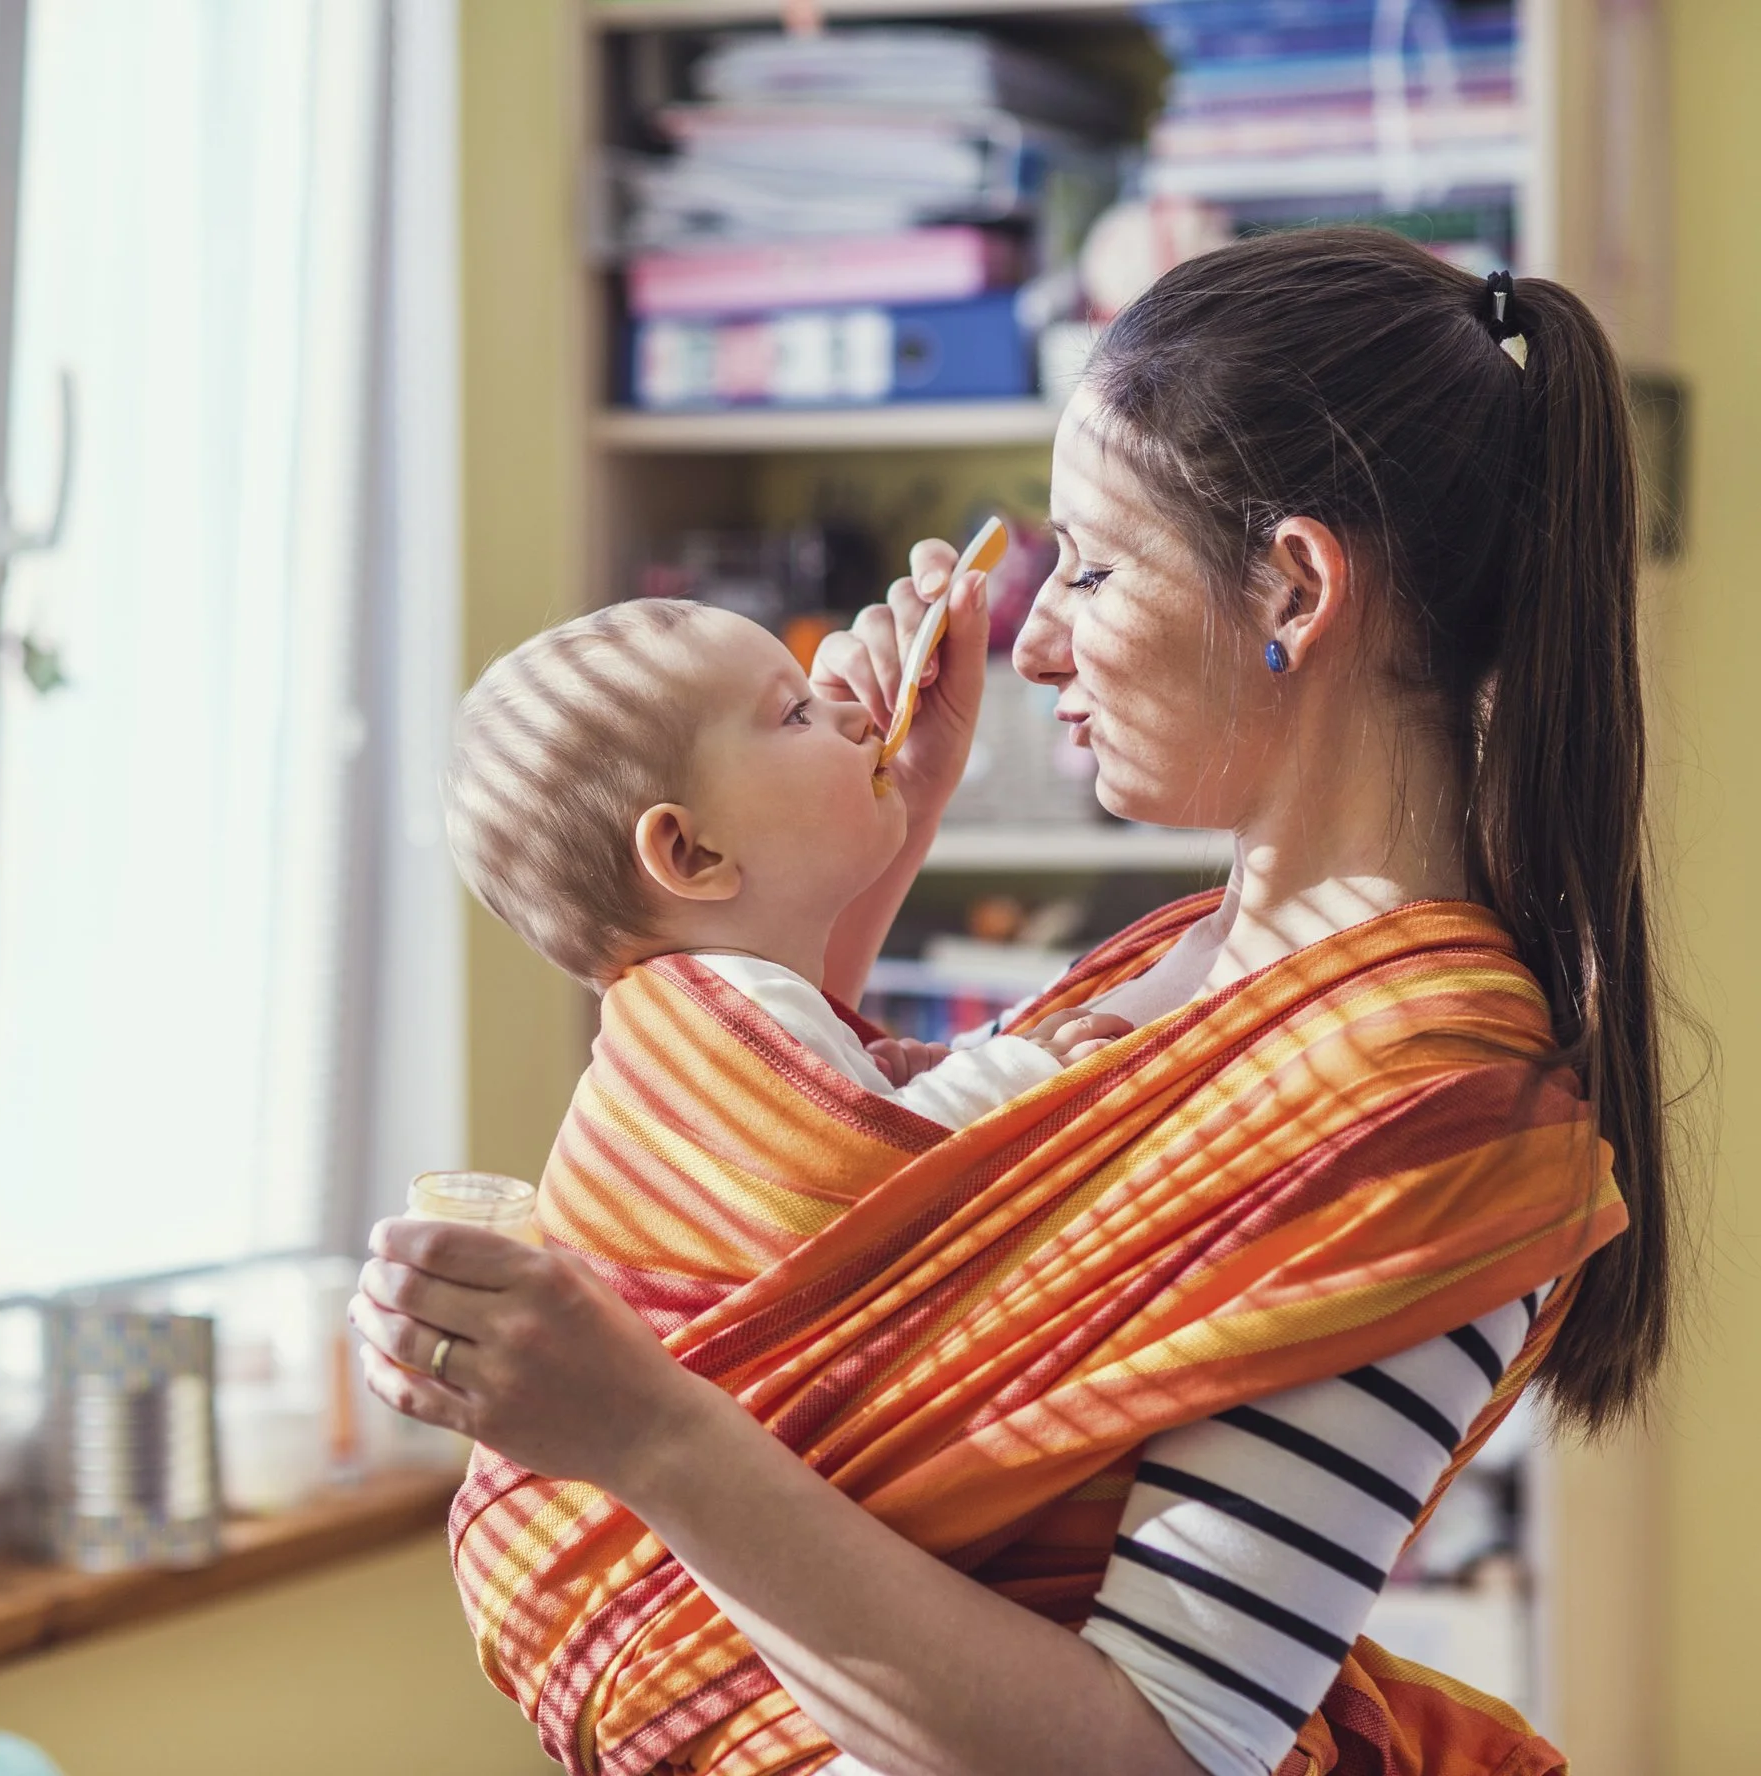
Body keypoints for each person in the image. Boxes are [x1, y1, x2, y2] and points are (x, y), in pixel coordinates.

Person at [350, 228, 1677, 1776]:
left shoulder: (1426, 1101)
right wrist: (857, 874)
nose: (1034, 637)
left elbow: (1162, 1754)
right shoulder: (1200, 955)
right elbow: (864, 1275)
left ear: (1297, 589)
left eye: (1096, 568)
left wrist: (645, 1436)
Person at [441, 596, 1133, 1128]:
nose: (856, 715)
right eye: (796, 713)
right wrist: (1020, 1071)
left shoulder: (711, 1015)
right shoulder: (735, 1019)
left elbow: (847, 1132)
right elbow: (866, 1167)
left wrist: (908, 1072)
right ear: (693, 853)